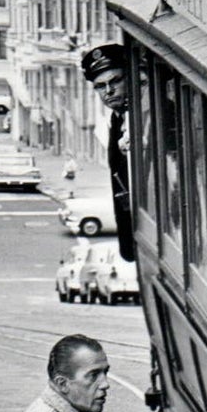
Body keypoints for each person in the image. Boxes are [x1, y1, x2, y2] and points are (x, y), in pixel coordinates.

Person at [79, 43, 134, 262]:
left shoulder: (137, 118)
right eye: (101, 86)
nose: (108, 91)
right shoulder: (117, 117)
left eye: (116, 81)